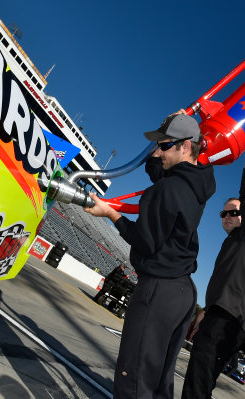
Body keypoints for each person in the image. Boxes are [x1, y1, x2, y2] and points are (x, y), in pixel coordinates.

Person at [84, 111, 216, 399]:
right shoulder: (197, 185)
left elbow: (144, 241)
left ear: (184, 146)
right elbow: (161, 172)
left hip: (159, 289)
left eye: (165, 145)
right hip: (182, 293)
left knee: (134, 380)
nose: (158, 152)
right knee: (159, 382)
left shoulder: (167, 190)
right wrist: (166, 132)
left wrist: (111, 214)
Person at [181, 137, 245, 399]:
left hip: (228, 322)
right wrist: (206, 311)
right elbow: (227, 288)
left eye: (234, 213)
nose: (228, 216)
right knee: (199, 379)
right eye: (224, 214)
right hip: (220, 317)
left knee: (198, 381)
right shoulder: (231, 245)